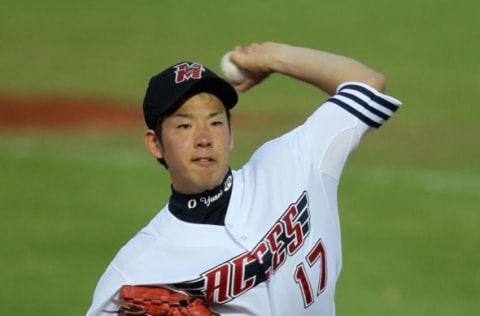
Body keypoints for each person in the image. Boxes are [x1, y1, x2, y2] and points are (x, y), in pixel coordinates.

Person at [86, 42, 402, 315]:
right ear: (156, 144)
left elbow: (368, 84)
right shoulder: (136, 269)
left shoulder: (293, 161)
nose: (203, 138)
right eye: (184, 126)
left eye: (215, 122)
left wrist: (272, 58)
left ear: (231, 133)